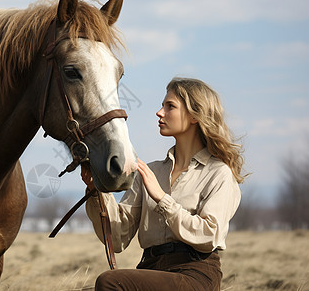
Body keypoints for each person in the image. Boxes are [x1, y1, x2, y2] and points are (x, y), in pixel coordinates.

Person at [81, 77, 246, 291]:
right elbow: (118, 237)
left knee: (109, 282)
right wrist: (97, 191)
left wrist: (162, 199)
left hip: (194, 274)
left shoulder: (218, 173)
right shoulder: (151, 172)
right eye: (162, 106)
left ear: (195, 115)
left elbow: (209, 235)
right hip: (150, 268)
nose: (159, 112)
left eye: (170, 106)